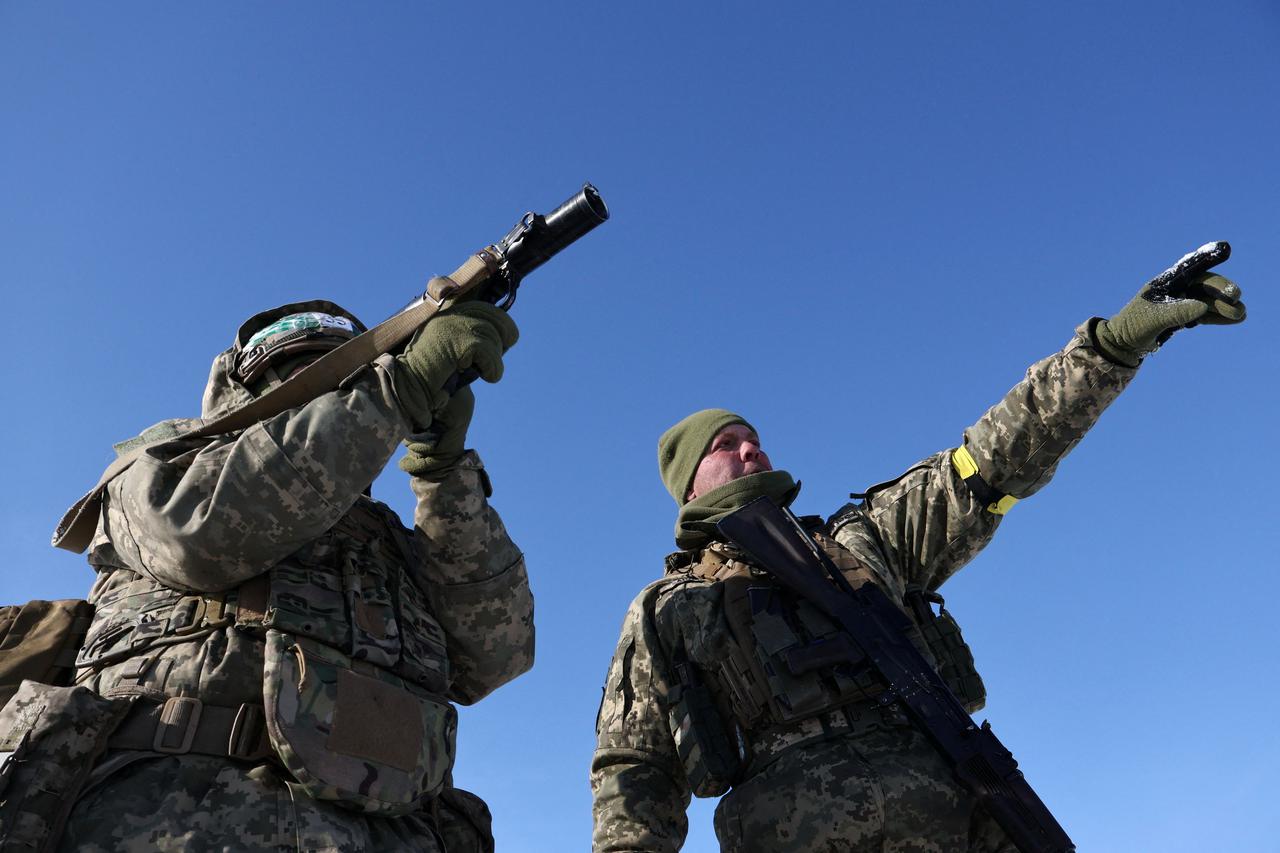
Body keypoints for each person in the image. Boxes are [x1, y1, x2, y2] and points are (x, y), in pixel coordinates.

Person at [590, 261, 1246, 852]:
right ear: (688, 480)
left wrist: (1110, 346)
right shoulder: (667, 607)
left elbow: (990, 462)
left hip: (960, 809)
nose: (751, 450)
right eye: (726, 443)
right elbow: (633, 767)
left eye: (754, 438)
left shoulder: (859, 538)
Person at [41, 299, 531, 852]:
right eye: (302, 376)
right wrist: (397, 393)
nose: (330, 395)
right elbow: (199, 535)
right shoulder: (161, 466)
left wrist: (443, 475)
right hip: (179, 819)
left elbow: (494, 657)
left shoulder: (387, 540)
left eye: (347, 378)